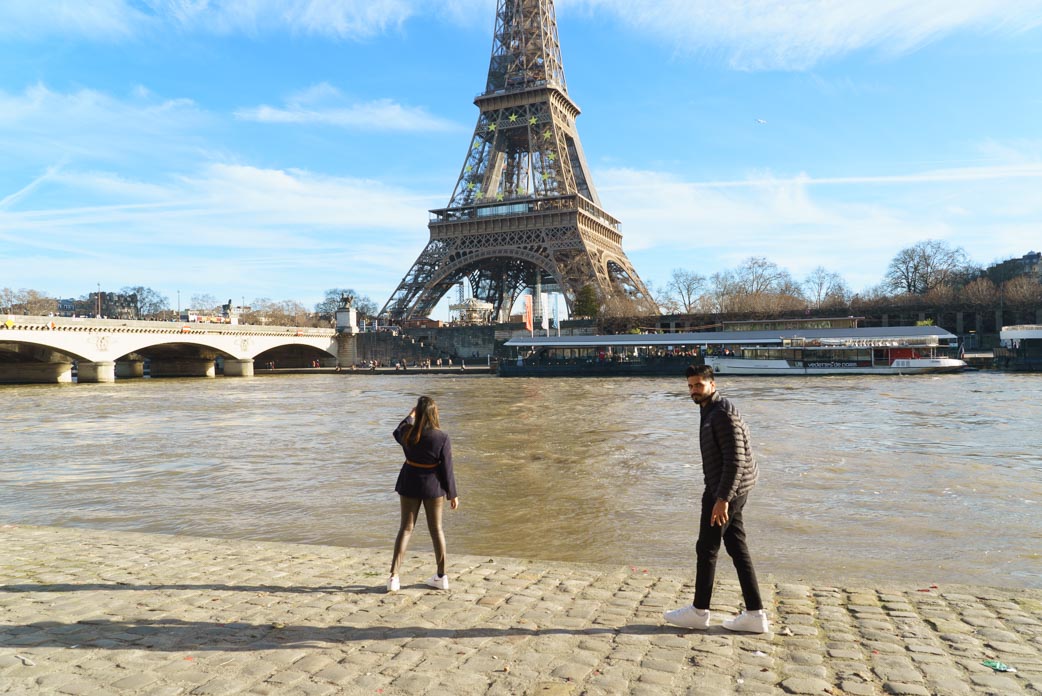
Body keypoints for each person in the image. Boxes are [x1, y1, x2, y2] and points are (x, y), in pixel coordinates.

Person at [664, 364, 769, 633]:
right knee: (736, 548)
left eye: (698, 385)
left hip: (726, 490)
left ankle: (699, 612)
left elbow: (736, 460)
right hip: (725, 487)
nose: (693, 391)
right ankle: (755, 614)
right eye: (690, 386)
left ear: (712, 384)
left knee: (707, 549)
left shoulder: (722, 413)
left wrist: (722, 498)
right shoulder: (709, 410)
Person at [388, 396, 459, 592]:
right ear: (435, 414)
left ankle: (394, 577)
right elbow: (447, 469)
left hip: (410, 482)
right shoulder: (442, 437)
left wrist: (411, 415)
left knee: (405, 529)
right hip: (433, 486)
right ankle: (441, 576)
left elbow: (397, 430)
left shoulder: (409, 433)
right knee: (437, 530)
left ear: (418, 413)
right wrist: (452, 494)